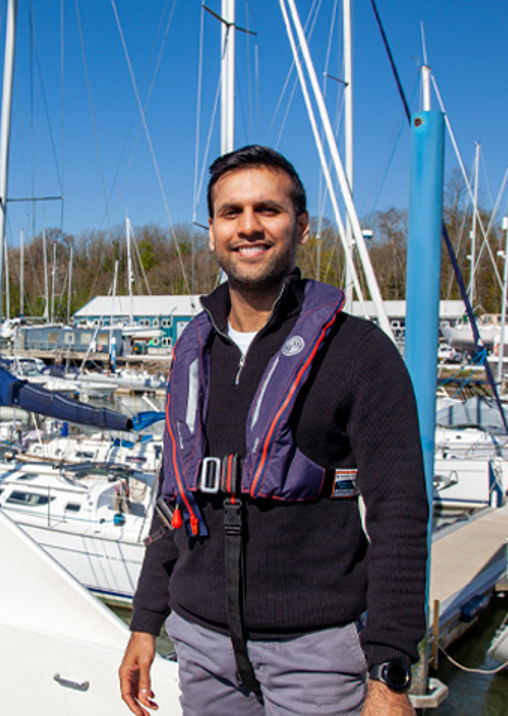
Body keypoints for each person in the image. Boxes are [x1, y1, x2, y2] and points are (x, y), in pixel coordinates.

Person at [119, 145, 428, 716]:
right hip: (201, 646)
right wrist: (144, 623)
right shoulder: (194, 354)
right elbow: (173, 501)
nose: (249, 227)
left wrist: (390, 671)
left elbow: (401, 516)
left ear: (302, 226)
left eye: (268, 209)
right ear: (212, 232)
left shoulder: (359, 352)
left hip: (316, 652)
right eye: (230, 213)